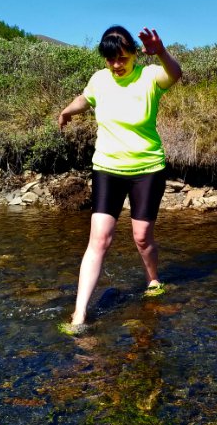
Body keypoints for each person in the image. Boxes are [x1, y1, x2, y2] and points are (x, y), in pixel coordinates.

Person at [58, 26, 182, 327]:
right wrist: (67, 111)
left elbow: (175, 74)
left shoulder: (150, 76)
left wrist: (162, 52)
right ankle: (80, 313)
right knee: (99, 239)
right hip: (107, 168)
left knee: (141, 237)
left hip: (147, 170)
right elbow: (84, 99)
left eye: (122, 58)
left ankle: (153, 280)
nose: (116, 65)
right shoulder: (100, 80)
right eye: (110, 59)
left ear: (134, 55)